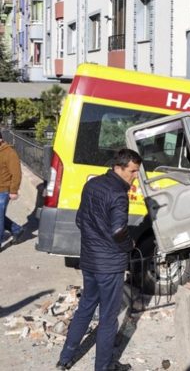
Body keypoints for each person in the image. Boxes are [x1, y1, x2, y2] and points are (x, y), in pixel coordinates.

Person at [57, 148, 141, 371]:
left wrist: (96, 238)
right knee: (108, 319)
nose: (135, 176)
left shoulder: (92, 184)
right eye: (133, 171)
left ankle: (65, 358)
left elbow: (79, 220)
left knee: (85, 307)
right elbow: (118, 230)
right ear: (119, 167)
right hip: (109, 264)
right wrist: (129, 246)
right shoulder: (118, 194)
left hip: (89, 260)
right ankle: (103, 367)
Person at [0, 134, 24, 245]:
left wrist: (13, 191)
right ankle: (16, 229)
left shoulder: (9, 153)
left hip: (3, 190)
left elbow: (16, 173)